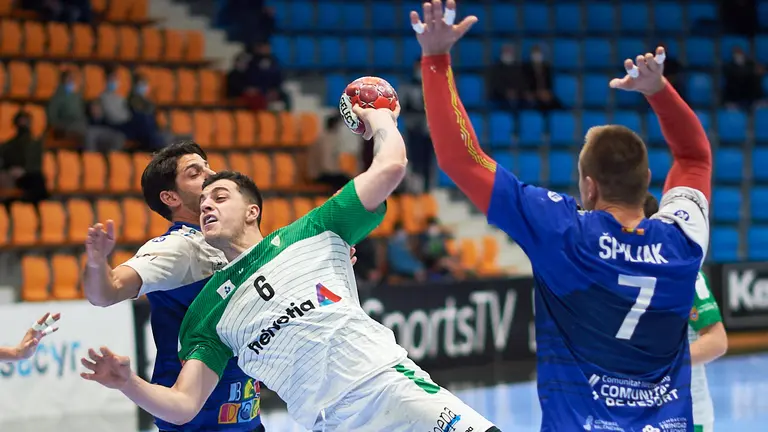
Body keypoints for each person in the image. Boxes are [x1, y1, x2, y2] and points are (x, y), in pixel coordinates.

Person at [80, 106, 501, 432]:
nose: (208, 198)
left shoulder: (312, 234)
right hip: (324, 422)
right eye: (201, 191)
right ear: (173, 200)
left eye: (219, 194)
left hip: (395, 391)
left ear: (253, 210)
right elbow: (183, 402)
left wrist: (382, 121)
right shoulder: (203, 302)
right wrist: (126, 382)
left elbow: (389, 167)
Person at [411, 1, 711, 430]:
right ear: (648, 180)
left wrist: (436, 59)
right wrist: (659, 90)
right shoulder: (682, 240)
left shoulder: (564, 233)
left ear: (588, 185)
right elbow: (694, 157)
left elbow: (463, 160)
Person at [81, 141, 266, 432]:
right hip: (194, 422)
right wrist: (96, 262)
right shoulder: (179, 248)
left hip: (246, 418)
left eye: (208, 165)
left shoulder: (228, 243)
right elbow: (105, 293)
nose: (210, 174)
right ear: (170, 197)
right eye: (195, 172)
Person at [644, 194, 728, 432]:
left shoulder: (684, 273)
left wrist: (663, 362)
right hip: (637, 410)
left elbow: (717, 341)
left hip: (686, 413)